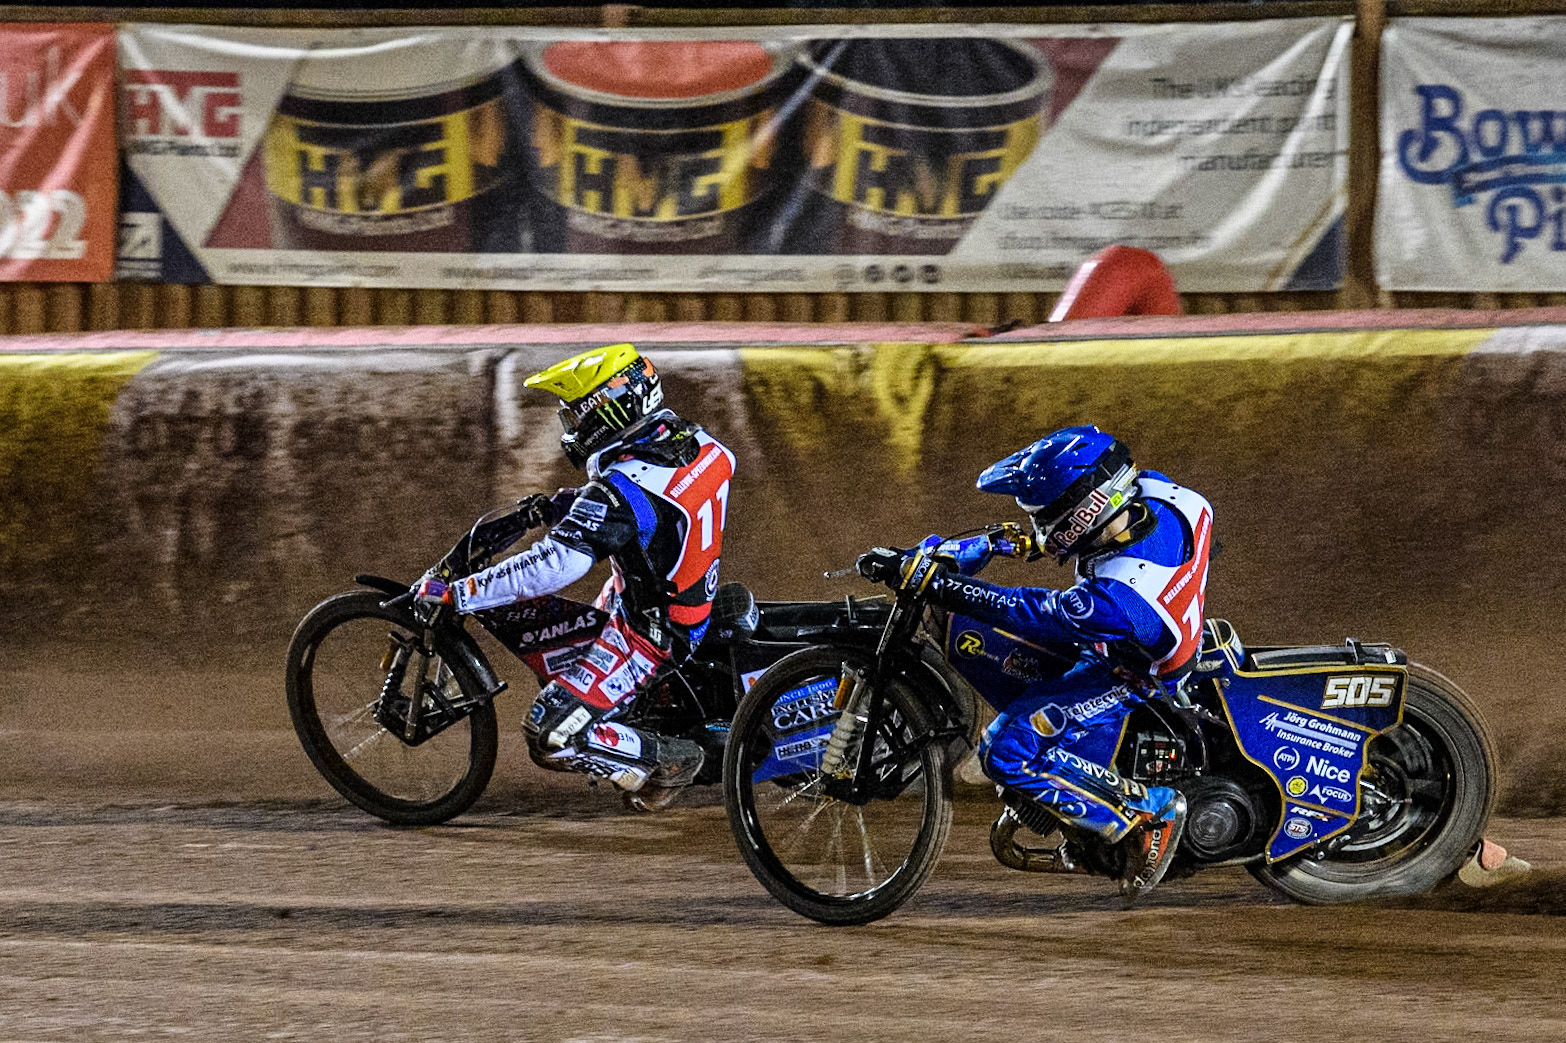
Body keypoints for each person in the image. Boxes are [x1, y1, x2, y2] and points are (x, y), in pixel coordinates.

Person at [859, 424, 1211, 904]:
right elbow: (1064, 540)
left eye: (1044, 513)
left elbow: (1031, 610)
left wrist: (939, 586)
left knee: (1004, 750)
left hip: (1129, 674)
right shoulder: (1159, 496)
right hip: (1144, 635)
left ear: (1084, 508)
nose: (1039, 523)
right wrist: (999, 544)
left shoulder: (1117, 597)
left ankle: (1147, 812)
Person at [413, 343, 737, 809]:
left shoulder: (619, 491)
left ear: (604, 410)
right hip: (676, 599)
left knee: (549, 734)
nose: (570, 428)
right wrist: (574, 504)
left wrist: (461, 593)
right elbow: (656, 506)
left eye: (574, 415)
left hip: (649, 636)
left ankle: (664, 762)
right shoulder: (694, 441)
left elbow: (553, 566)